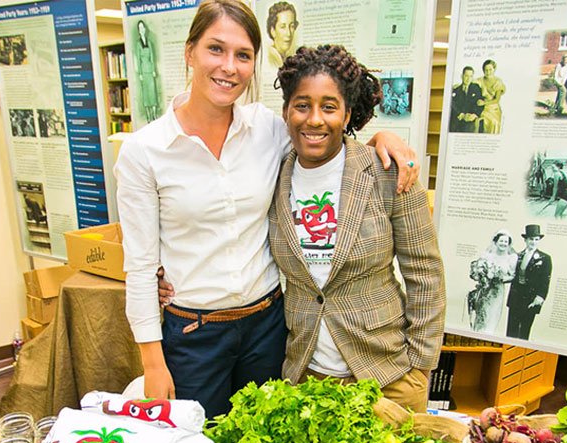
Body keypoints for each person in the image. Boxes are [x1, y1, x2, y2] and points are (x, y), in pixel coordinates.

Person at [115, 0, 417, 418]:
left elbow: (325, 140)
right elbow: (141, 265)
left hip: (269, 327)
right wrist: (152, 360)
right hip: (194, 333)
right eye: (215, 49)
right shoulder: (144, 152)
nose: (229, 66)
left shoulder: (267, 129)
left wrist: (383, 138)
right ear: (189, 52)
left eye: (243, 55)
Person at [269, 44, 445, 413]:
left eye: (329, 107)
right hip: (306, 378)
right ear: (286, 111)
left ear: (347, 112)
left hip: (389, 375)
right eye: (302, 105)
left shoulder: (387, 173)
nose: (314, 119)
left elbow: (425, 274)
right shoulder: (271, 175)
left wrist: (420, 366)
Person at [506, 224, 551, 339]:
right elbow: (512, 274)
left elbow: (545, 280)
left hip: (530, 299)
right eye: (531, 239)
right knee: (511, 330)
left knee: (524, 331)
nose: (534, 242)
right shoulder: (518, 255)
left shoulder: (545, 258)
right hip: (516, 297)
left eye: (536, 239)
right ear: (525, 240)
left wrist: (540, 297)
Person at [467, 230, 516, 334]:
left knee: (493, 315)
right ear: (496, 242)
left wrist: (502, 278)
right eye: (501, 241)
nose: (503, 243)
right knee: (481, 314)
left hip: (497, 291)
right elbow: (477, 271)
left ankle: (488, 334)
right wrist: (481, 276)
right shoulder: (487, 256)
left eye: (506, 242)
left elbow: (512, 275)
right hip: (485, 289)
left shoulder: (511, 258)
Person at [132, 21, 163, 122]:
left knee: (152, 92)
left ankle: (154, 115)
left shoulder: (149, 42)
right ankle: (148, 116)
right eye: (140, 28)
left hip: (150, 70)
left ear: (145, 29)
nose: (142, 29)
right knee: (146, 94)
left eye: (143, 27)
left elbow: (152, 57)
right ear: (139, 30)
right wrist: (140, 73)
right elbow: (138, 59)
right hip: (143, 72)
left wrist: (154, 70)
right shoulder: (138, 44)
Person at [449, 66, 483, 132]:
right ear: (462, 76)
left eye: (471, 76)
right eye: (466, 76)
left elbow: (480, 103)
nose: (468, 79)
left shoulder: (476, 88)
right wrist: (461, 114)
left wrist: (475, 114)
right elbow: (452, 105)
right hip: (459, 118)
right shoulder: (455, 90)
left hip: (471, 118)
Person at [265, 2, 298, 67]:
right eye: (283, 27)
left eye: (292, 26)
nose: (288, 34)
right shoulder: (265, 60)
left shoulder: (296, 56)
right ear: (273, 31)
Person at [477, 59, 505, 134]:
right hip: (482, 108)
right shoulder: (479, 80)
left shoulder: (498, 81)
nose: (488, 72)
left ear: (494, 69)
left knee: (494, 122)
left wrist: (484, 103)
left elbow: (496, 100)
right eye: (486, 70)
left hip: (494, 108)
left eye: (490, 69)